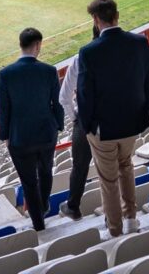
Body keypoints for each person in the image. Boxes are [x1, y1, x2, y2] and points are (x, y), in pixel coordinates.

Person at [76, 0, 149, 237]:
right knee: (126, 167)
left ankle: (115, 229)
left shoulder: (89, 52)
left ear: (95, 20)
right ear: (117, 16)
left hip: (103, 129)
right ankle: (131, 219)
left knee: (109, 179)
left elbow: (84, 94)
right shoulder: (140, 42)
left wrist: (88, 126)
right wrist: (145, 117)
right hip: (132, 124)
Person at [0, 27, 64, 230]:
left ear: (21, 45)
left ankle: (38, 223)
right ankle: (42, 207)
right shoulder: (49, 71)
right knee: (45, 172)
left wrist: (5, 135)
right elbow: (57, 104)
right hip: (46, 134)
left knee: (29, 182)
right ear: (37, 46)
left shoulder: (5, 74)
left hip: (20, 138)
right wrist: (58, 126)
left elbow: (4, 109)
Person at [56, 25, 98, 221]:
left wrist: (75, 118)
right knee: (117, 165)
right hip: (115, 118)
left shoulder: (81, 58)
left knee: (80, 166)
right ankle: (121, 214)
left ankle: (73, 207)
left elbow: (64, 96)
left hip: (85, 121)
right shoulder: (123, 53)